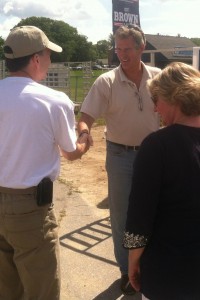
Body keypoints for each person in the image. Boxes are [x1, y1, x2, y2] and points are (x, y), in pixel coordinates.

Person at [0, 25, 89, 300]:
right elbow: (70, 152)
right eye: (48, 54)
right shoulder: (53, 100)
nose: (50, 61)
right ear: (36, 59)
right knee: (42, 289)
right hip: (29, 209)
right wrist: (85, 135)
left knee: (6, 286)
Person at [77, 25, 160, 294]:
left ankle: (149, 266)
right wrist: (85, 132)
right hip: (120, 155)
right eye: (118, 49)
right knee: (122, 215)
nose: (121, 54)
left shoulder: (158, 78)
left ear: (141, 47)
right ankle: (126, 271)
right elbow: (87, 115)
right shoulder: (106, 82)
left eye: (127, 49)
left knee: (155, 210)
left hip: (153, 154)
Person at [123, 62, 200, 300]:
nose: (155, 109)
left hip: (170, 273)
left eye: (156, 99)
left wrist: (133, 262)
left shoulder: (157, 145)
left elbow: (139, 216)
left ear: (173, 97)